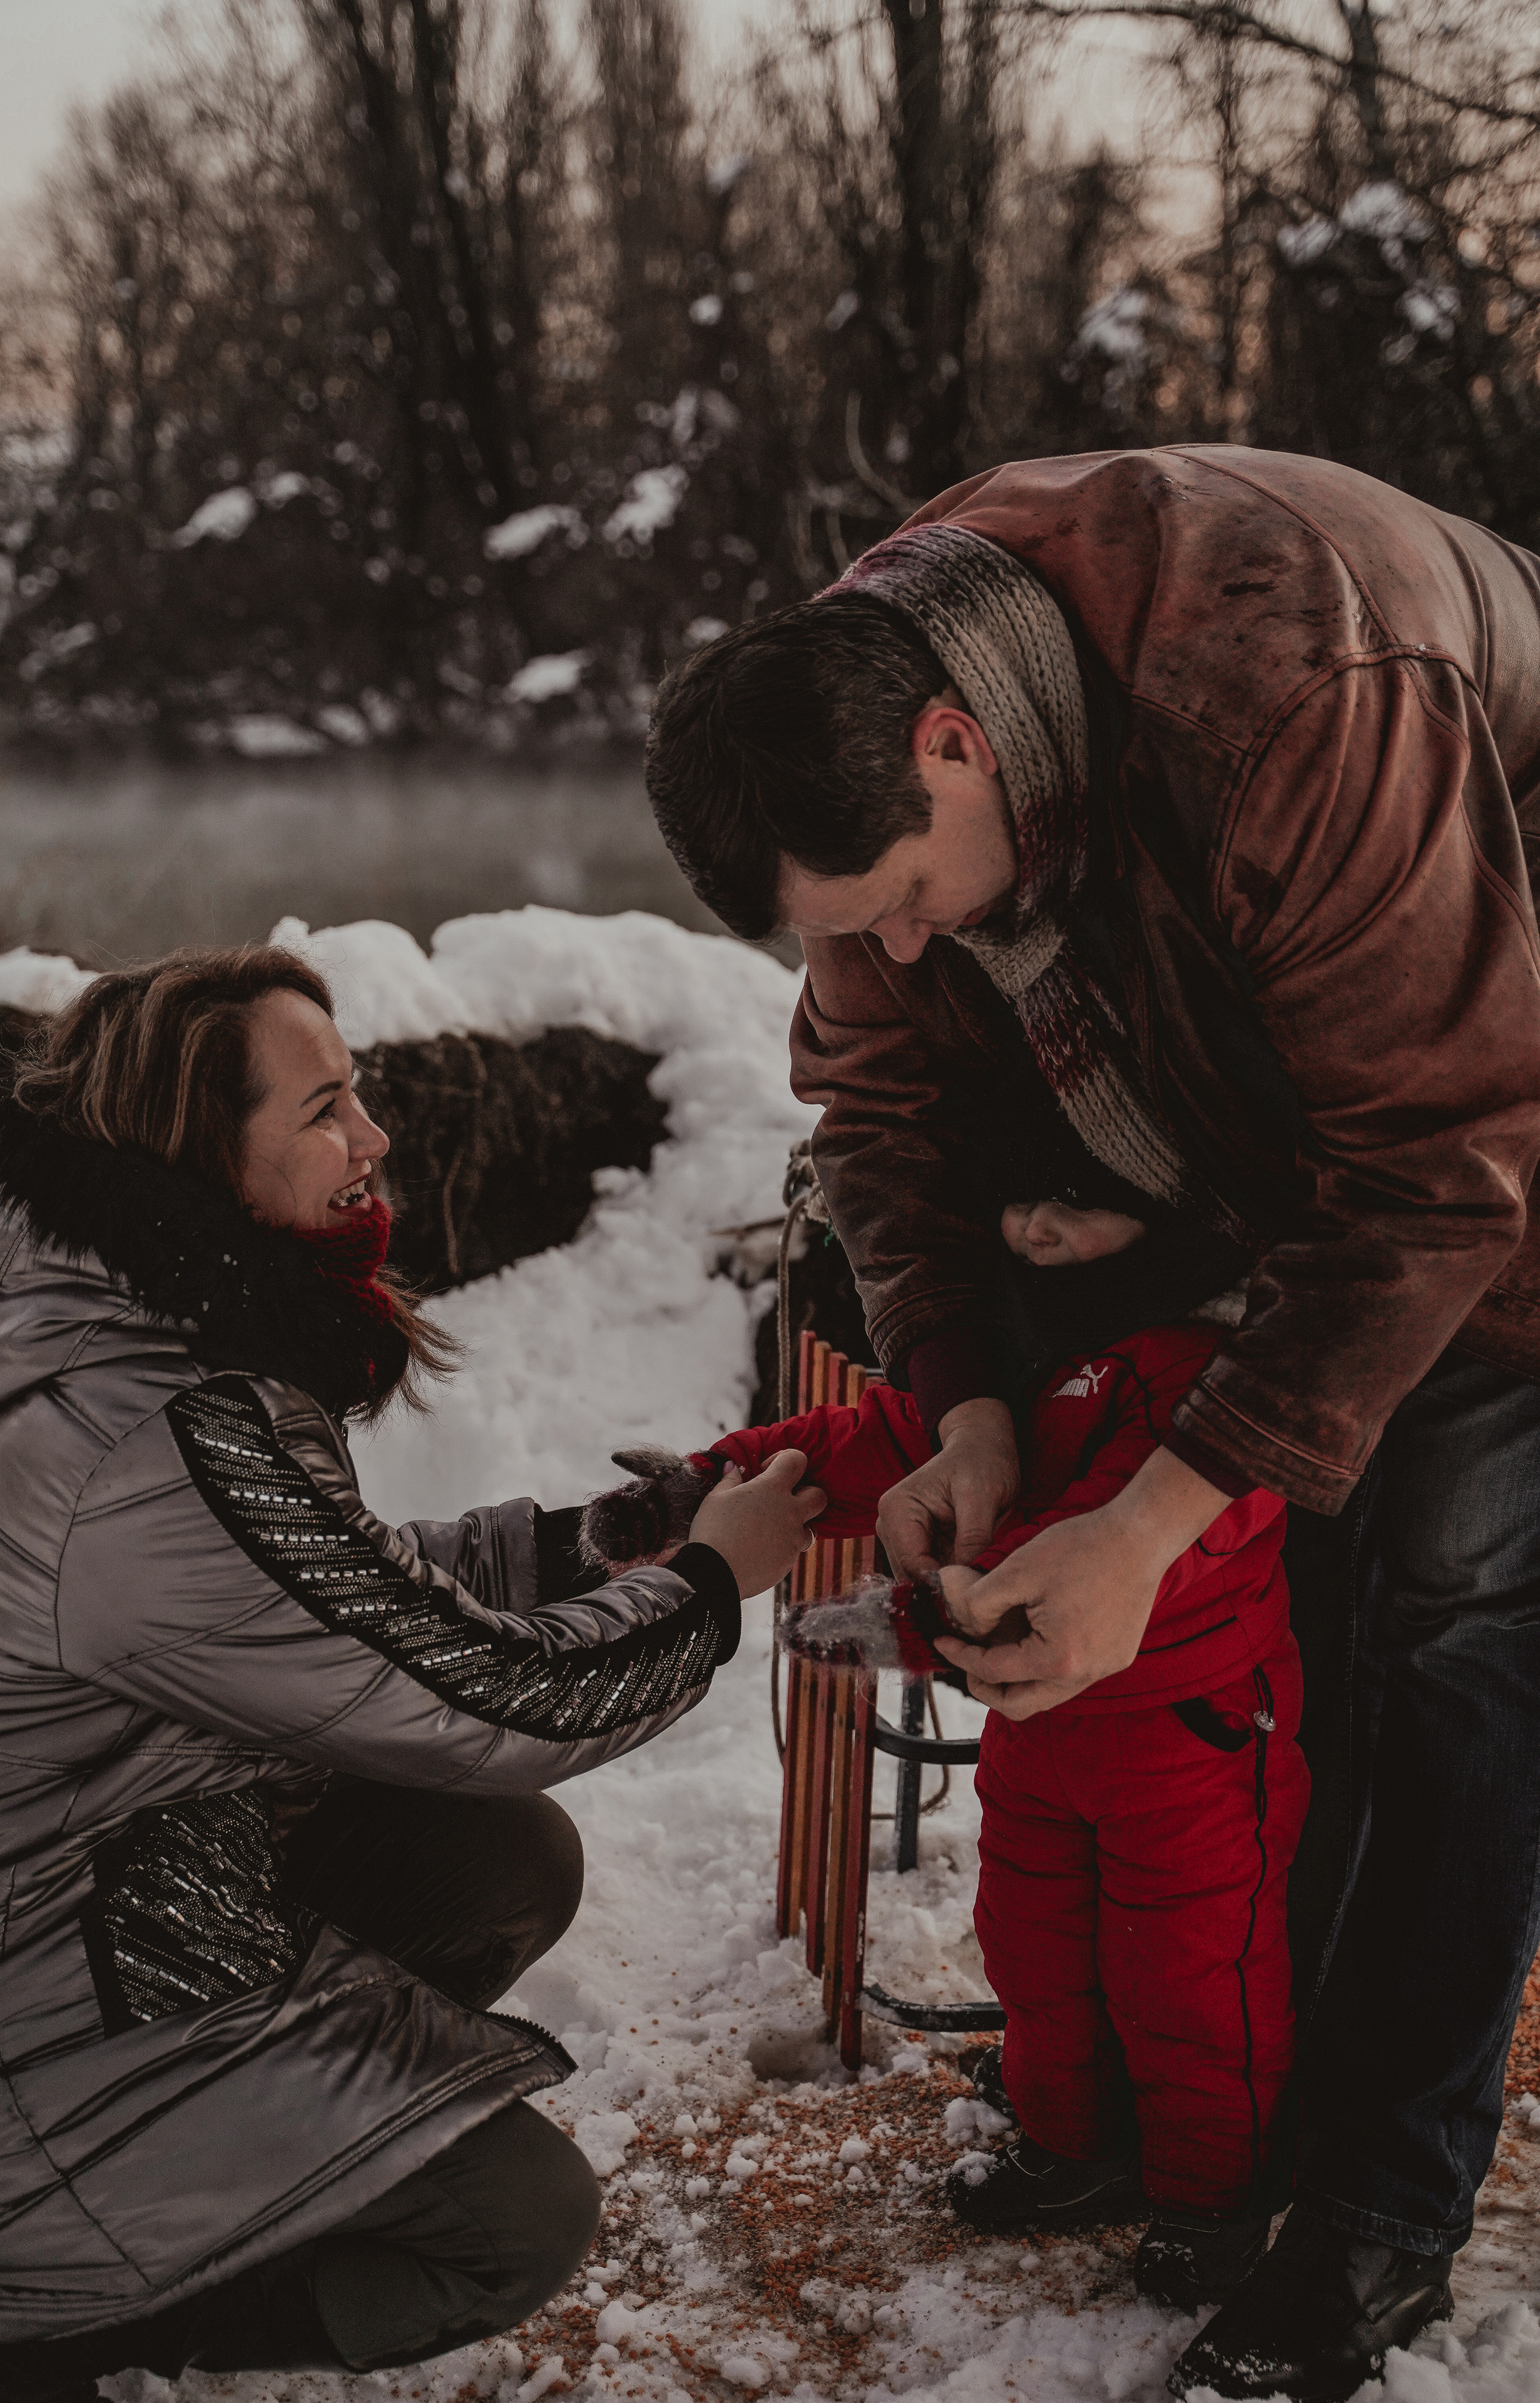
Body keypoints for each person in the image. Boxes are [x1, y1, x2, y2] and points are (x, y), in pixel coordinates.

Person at [645, 444, 1540, 2401]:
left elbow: (1442, 1156)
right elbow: (878, 1114)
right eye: (838, 931)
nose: (885, 955)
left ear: (961, 748)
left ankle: (1382, 2200)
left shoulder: (1295, 687)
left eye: (893, 910)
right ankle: (1220, 2086)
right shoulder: (859, 740)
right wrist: (958, 1406)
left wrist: (1147, 1529)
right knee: (1283, 1628)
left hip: (1491, 1067)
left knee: (1452, 1612)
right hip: (1272, 1039)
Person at [0, 946, 820, 2403]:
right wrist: (714, 1586)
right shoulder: (146, 1438)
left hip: (62, 1879)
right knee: (516, 2228)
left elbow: (295, 1595)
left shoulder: (64, 1296)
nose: (376, 1140)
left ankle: (219, 2171)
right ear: (201, 1159)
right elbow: (488, 1704)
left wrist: (575, 1548)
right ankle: (45, 2319)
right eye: (327, 1109)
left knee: (496, 1865)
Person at [584, 1164, 1307, 2310]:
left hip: (1184, 1741)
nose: (1036, 1225)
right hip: (1038, 1730)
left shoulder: (1213, 1382)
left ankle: (1208, 2199)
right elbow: (876, 1438)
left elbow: (1112, 1551)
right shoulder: (1019, 1350)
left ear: (1173, 1218)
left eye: (1080, 1201)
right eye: (1022, 1197)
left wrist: (911, 1622)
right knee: (1032, 1947)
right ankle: (1077, 2149)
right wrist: (718, 1481)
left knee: (1193, 1979)